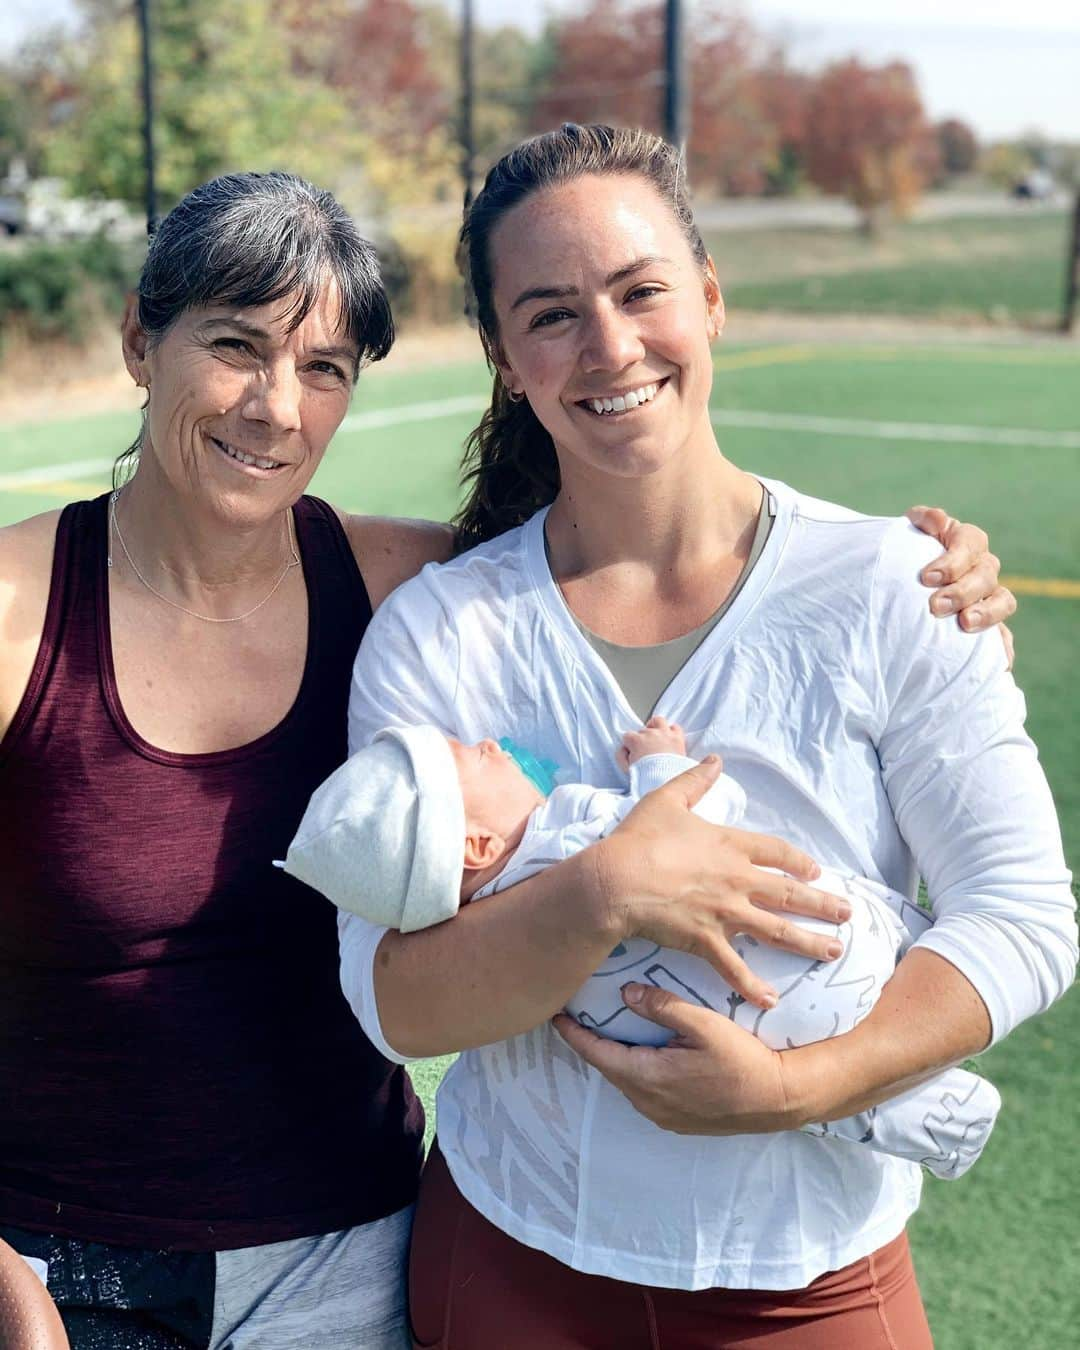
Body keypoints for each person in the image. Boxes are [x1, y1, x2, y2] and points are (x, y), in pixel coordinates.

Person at [0, 165, 1013, 1349]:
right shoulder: (19, 612)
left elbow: (624, 546)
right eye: (235, 346)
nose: (275, 406)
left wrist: (931, 574)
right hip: (66, 1273)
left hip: (352, 1256)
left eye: (323, 368)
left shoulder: (407, 589)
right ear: (140, 340)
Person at [336, 125, 1077, 1349]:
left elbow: (1024, 914)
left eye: (641, 292)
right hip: (511, 1259)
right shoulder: (443, 632)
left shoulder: (898, 586)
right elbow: (394, 1000)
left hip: (809, 1278)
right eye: (551, 314)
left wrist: (799, 1088)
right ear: (504, 359)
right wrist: (607, 891)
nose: (611, 346)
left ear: (712, 299)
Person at [284, 717, 1001, 1181]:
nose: (497, 746)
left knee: (799, 1070)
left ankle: (923, 1115)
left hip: (709, 1028)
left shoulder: (504, 940)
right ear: (475, 844)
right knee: (855, 937)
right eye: (477, 756)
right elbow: (693, 824)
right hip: (812, 954)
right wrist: (662, 765)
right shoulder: (571, 839)